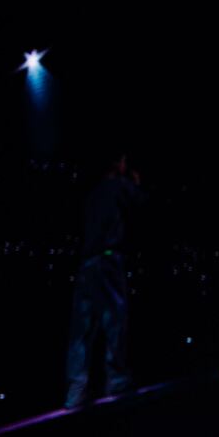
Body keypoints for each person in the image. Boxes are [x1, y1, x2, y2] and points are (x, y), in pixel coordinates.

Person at [64, 154, 141, 408]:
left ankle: (76, 391)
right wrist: (135, 184)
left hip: (87, 264)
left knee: (82, 330)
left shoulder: (91, 195)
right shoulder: (118, 186)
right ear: (119, 163)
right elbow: (140, 206)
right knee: (114, 319)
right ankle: (117, 380)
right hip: (107, 261)